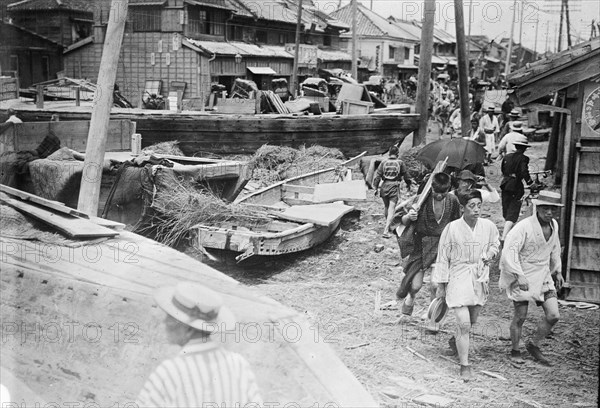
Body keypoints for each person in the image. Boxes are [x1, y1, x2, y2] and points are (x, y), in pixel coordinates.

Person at [136, 282, 263, 406]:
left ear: (189, 329)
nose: (164, 322)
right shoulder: (238, 365)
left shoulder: (169, 372)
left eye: (170, 317)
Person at [432, 189, 500, 380]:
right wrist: (442, 284)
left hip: (478, 276)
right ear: (462, 208)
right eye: (472, 206)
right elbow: (443, 256)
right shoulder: (452, 228)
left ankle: (457, 340)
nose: (476, 210)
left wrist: (489, 255)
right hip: (459, 275)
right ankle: (465, 364)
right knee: (463, 323)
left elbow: (496, 243)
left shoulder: (488, 226)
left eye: (479, 205)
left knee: (471, 320)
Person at [499, 191, 564, 366]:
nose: (549, 212)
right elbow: (509, 251)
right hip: (524, 273)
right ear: (538, 207)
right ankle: (515, 350)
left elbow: (555, 248)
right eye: (545, 208)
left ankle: (533, 344)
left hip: (543, 274)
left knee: (553, 315)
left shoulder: (554, 226)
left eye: (553, 209)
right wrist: (518, 274)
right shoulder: (524, 227)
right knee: (520, 316)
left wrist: (557, 271)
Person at [393, 172, 461, 316]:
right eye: (436, 192)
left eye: (443, 193)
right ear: (431, 188)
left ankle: (432, 315)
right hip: (421, 245)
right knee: (416, 286)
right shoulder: (420, 200)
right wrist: (409, 217)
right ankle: (410, 299)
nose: (439, 196)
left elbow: (457, 222)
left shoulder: (453, 200)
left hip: (441, 245)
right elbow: (401, 220)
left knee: (435, 285)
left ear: (448, 189)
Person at [373, 145, 411, 238]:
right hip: (394, 186)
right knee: (391, 209)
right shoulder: (400, 162)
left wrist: (375, 188)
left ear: (389, 153)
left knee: (386, 207)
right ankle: (386, 231)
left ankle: (388, 226)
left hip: (384, 186)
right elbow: (406, 175)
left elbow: (377, 176)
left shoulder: (383, 162)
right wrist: (408, 183)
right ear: (397, 153)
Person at [500, 140, 534, 242]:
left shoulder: (507, 156)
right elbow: (524, 171)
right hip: (515, 186)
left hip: (505, 184)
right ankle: (505, 236)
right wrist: (530, 183)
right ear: (524, 149)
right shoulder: (523, 158)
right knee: (513, 209)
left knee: (506, 207)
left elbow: (503, 169)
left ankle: (507, 230)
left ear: (515, 147)